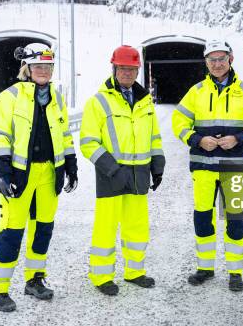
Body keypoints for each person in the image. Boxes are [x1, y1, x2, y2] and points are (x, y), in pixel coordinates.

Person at [172, 39, 243, 292]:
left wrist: (239, 138)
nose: (217, 64)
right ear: (206, 62)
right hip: (203, 166)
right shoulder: (196, 92)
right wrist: (196, 139)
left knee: (235, 220)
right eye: (212, 60)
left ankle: (235, 272)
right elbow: (178, 122)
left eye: (221, 59)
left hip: (234, 166)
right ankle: (205, 268)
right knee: (203, 218)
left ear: (231, 59)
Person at [0, 43, 78, 312]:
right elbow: (0, 134)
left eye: (48, 66)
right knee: (12, 231)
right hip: (19, 175)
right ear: (26, 68)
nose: (43, 71)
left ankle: (34, 280)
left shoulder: (56, 98)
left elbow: (64, 135)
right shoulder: (10, 96)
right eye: (38, 66)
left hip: (49, 173)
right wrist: (3, 171)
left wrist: (70, 165)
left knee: (43, 229)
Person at [80, 45, 165, 296]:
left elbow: (154, 137)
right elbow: (88, 142)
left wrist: (157, 166)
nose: (127, 73)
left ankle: (134, 272)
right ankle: (102, 276)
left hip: (139, 174)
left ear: (137, 70)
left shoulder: (145, 101)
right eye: (123, 68)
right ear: (114, 69)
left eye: (132, 69)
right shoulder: (99, 101)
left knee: (137, 226)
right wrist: (111, 167)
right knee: (106, 227)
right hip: (111, 175)